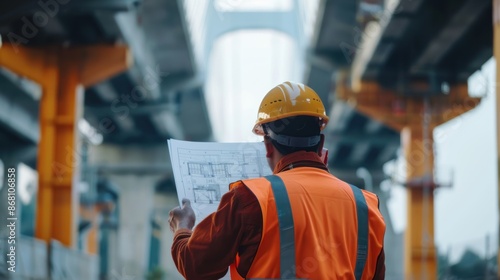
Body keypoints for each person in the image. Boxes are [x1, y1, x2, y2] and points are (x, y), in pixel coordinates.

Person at [169, 81, 386, 280]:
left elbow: (195, 265)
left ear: (267, 146)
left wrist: (183, 227)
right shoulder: (367, 206)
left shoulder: (250, 198)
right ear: (320, 145)